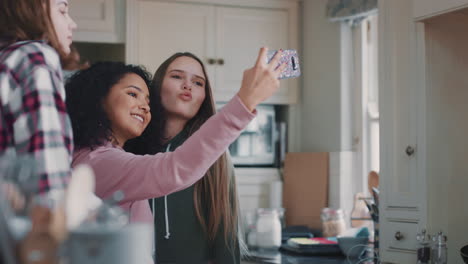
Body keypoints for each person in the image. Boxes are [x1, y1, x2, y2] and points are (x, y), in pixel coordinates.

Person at [67, 48, 283, 226]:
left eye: (148, 100)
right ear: (97, 100)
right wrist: (246, 100)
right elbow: (175, 168)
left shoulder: (111, 157)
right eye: (133, 94)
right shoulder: (97, 162)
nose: (143, 106)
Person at [125, 52, 242, 263]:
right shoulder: (129, 148)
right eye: (177, 77)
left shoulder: (216, 154)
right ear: (157, 87)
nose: (187, 85)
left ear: (204, 97)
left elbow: (227, 241)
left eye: (198, 82)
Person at [0, 0, 77, 195]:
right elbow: (49, 180)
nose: (72, 23)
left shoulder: (6, 58)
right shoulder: (33, 58)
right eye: (62, 11)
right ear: (30, 10)